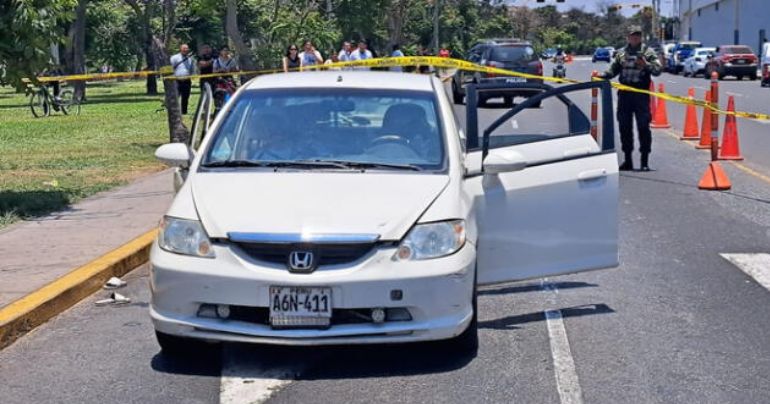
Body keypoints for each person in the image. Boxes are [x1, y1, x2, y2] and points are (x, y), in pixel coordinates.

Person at [600, 25, 661, 171]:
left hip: (641, 95)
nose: (635, 38)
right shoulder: (621, 53)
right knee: (624, 127)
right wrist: (602, 76)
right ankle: (628, 160)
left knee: (643, 127)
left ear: (641, 37)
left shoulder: (648, 52)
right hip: (625, 95)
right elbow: (613, 70)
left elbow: (657, 70)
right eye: (633, 35)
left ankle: (644, 161)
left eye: (638, 35)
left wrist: (646, 65)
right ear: (628, 37)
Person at [170, 44, 194, 114]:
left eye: (187, 49)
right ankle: (174, 111)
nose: (185, 50)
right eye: (184, 48)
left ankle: (184, 112)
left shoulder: (190, 59)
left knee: (185, 97)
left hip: (187, 81)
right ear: (180, 49)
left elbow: (192, 70)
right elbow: (170, 68)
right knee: (175, 97)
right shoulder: (174, 58)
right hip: (176, 81)